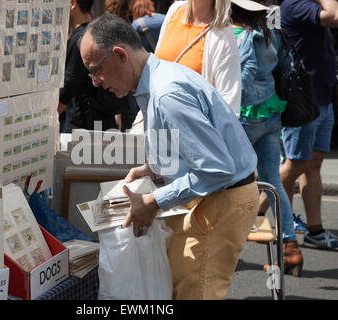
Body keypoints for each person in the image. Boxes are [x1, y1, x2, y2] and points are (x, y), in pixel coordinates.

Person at [79, 14, 259, 299]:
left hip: (221, 198)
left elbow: (216, 168)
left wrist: (153, 201)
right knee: (182, 286)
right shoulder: (157, 82)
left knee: (194, 292)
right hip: (214, 197)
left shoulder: (166, 93)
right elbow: (193, 151)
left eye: (95, 70)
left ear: (119, 55)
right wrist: (153, 168)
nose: (96, 82)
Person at [230, 0, 303, 275]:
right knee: (273, 182)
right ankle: (291, 248)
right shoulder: (272, 32)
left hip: (245, 115)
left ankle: (227, 247)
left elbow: (241, 79)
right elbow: (284, 65)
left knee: (229, 181)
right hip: (271, 112)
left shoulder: (237, 35)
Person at [279, 0, 338, 251]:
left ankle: (315, 231)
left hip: (322, 97)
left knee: (313, 163)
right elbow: (337, 16)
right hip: (304, 102)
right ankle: (277, 225)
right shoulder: (295, 4)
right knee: (296, 162)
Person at [155, 0, 242, 114]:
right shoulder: (175, 10)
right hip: (157, 117)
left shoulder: (223, 36)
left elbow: (229, 105)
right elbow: (156, 66)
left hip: (189, 127)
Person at [58, 0, 132, 133]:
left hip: (84, 129)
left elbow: (67, 90)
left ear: (73, 3)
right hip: (104, 123)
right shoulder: (97, 35)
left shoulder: (80, 41)